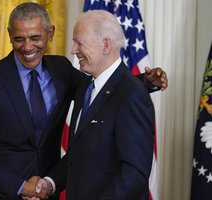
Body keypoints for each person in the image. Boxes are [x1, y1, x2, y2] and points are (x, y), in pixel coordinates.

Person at [0, 2, 167, 200]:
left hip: (47, 192)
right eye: (19, 38)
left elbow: (106, 89)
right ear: (10, 36)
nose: (27, 46)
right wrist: (20, 186)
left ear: (50, 34)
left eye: (35, 37)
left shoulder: (63, 70)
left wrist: (144, 83)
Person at [32, 10, 156, 200]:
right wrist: (50, 181)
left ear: (105, 45)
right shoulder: (85, 88)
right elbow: (79, 154)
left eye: (79, 42)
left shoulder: (132, 95)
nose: (73, 50)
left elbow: (134, 175)